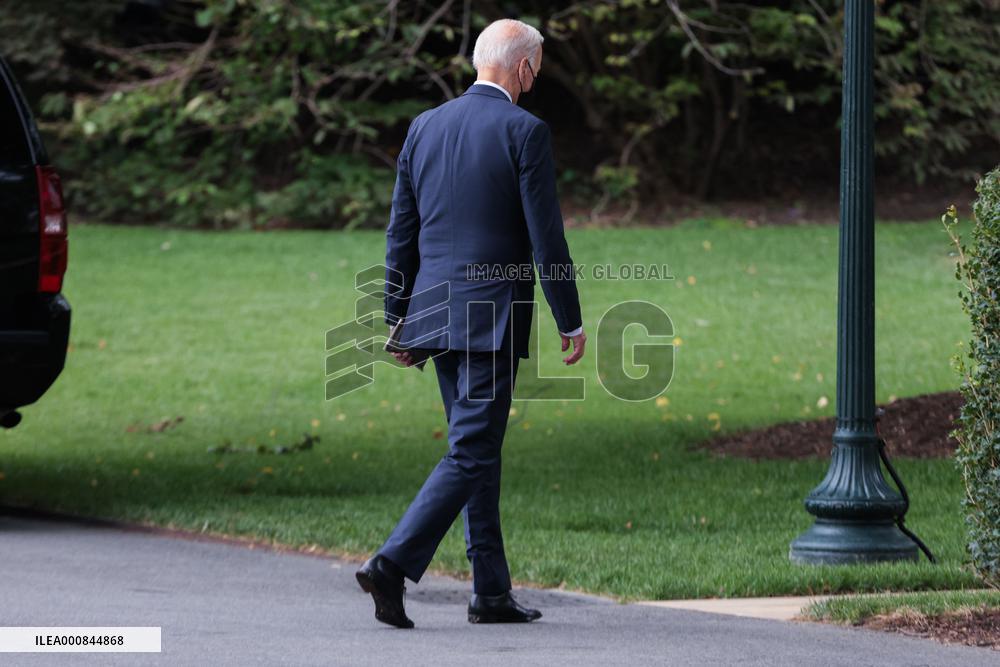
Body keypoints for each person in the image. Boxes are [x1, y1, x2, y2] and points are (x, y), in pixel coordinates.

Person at [355, 18, 585, 629]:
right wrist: (571, 319)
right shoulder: (525, 131)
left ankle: (489, 592)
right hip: (491, 317)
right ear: (525, 68)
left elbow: (400, 232)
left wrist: (397, 318)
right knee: (474, 448)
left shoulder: (423, 127)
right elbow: (547, 240)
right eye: (539, 68)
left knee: (475, 448)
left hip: (434, 313)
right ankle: (392, 563)